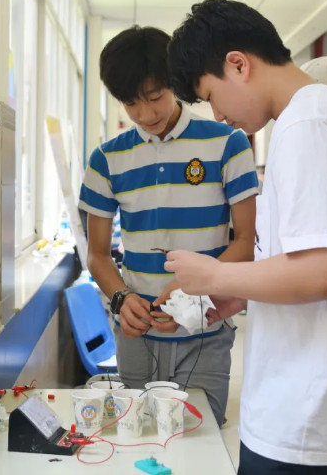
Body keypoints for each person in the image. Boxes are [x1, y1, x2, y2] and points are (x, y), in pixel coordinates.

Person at [165, 0, 327, 475]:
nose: (219, 114)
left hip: (308, 423)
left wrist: (214, 273)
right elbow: (307, 262)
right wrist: (241, 293)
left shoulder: (309, 123)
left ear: (238, 64)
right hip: (318, 416)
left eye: (211, 95)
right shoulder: (318, 116)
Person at [78, 25, 258, 427]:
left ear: (174, 83)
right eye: (131, 104)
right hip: (137, 337)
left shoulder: (227, 144)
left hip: (206, 332)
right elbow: (97, 255)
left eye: (155, 97)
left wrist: (196, 289)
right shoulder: (106, 160)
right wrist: (121, 299)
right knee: (138, 440)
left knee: (199, 439)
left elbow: (246, 243)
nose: (146, 115)